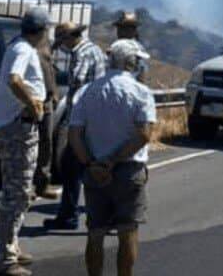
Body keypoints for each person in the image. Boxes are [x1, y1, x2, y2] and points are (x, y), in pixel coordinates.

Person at [69, 40, 157, 276]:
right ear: (131, 63)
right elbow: (144, 134)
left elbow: (75, 135)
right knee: (127, 231)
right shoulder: (141, 92)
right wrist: (113, 161)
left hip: (94, 170)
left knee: (95, 232)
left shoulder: (86, 92)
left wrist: (92, 164)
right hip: (128, 171)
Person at [0, 7, 50, 276]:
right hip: (19, 128)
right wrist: (32, 103)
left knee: (18, 191)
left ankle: (10, 246)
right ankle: (3, 259)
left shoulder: (17, 46)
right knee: (17, 193)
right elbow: (15, 80)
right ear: (42, 31)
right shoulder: (24, 50)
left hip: (15, 127)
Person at [45, 21, 107, 231]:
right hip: (96, 116)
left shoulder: (81, 54)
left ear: (69, 37)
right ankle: (102, 213)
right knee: (87, 166)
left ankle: (69, 216)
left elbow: (78, 80)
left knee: (71, 167)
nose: (61, 44)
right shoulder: (95, 49)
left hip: (82, 118)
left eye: (62, 39)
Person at [34, 40, 62, 200]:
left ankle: (41, 184)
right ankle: (31, 184)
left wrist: (54, 93)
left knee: (46, 143)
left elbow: (51, 75)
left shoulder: (46, 48)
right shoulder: (30, 49)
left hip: (46, 101)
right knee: (34, 144)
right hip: (33, 100)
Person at [114, 9, 151, 81]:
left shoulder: (138, 50)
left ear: (133, 30)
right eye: (120, 27)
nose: (120, 31)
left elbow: (142, 73)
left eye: (125, 28)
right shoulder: (116, 47)